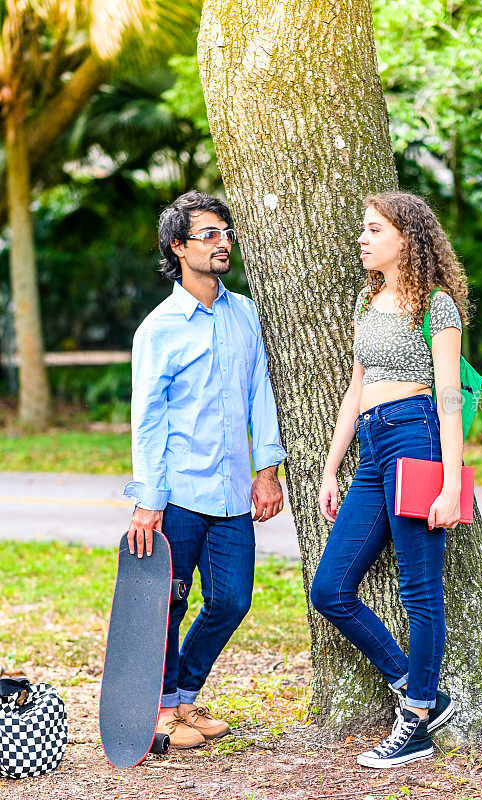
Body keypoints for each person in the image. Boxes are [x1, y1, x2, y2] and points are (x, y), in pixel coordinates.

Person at [310, 191, 469, 768]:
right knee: (329, 589)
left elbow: (450, 396)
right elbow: (355, 389)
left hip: (416, 436)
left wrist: (451, 484)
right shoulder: (366, 298)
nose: (363, 238)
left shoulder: (437, 305)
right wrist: (331, 466)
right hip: (373, 447)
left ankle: (418, 722)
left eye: (374, 229)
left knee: (420, 589)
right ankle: (417, 688)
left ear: (406, 237)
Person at [123, 190, 286, 749]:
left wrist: (268, 467)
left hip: (233, 489)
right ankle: (163, 711)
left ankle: (184, 697)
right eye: (209, 234)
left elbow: (259, 390)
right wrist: (148, 499)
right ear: (178, 246)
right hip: (178, 491)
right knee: (168, 603)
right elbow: (146, 419)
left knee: (232, 599)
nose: (223, 243)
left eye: (226, 232)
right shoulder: (160, 328)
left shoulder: (244, 312)